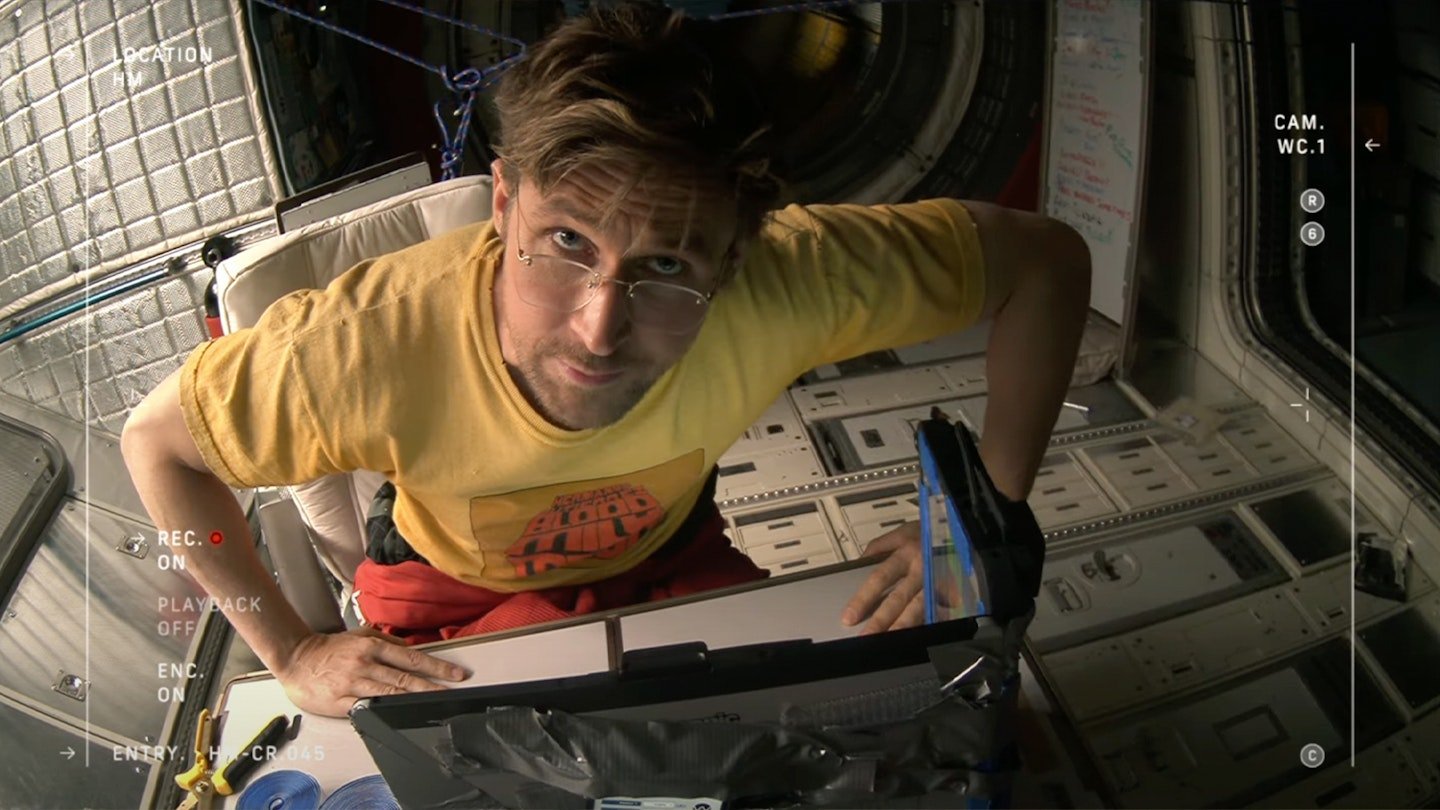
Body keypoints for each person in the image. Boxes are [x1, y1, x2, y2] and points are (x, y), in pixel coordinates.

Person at [122, 1, 1090, 718]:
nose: (598, 331)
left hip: (666, 555)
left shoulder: (788, 278)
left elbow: (1045, 263)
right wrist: (291, 653)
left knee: (829, 720)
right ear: (504, 204)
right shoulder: (364, 345)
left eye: (666, 266)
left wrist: (983, 512)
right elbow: (156, 448)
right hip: (448, 591)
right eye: (568, 242)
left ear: (735, 259)